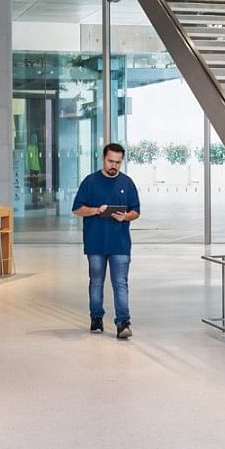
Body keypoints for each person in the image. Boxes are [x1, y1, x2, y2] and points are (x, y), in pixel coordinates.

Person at [72, 143, 141, 338]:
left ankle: (123, 323)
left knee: (120, 283)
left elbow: (136, 211)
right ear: (103, 159)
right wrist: (96, 210)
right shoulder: (90, 182)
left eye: (118, 163)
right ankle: (96, 318)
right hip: (95, 243)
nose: (114, 166)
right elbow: (77, 209)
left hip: (120, 244)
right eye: (111, 161)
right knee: (96, 282)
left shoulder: (127, 183)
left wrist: (125, 216)